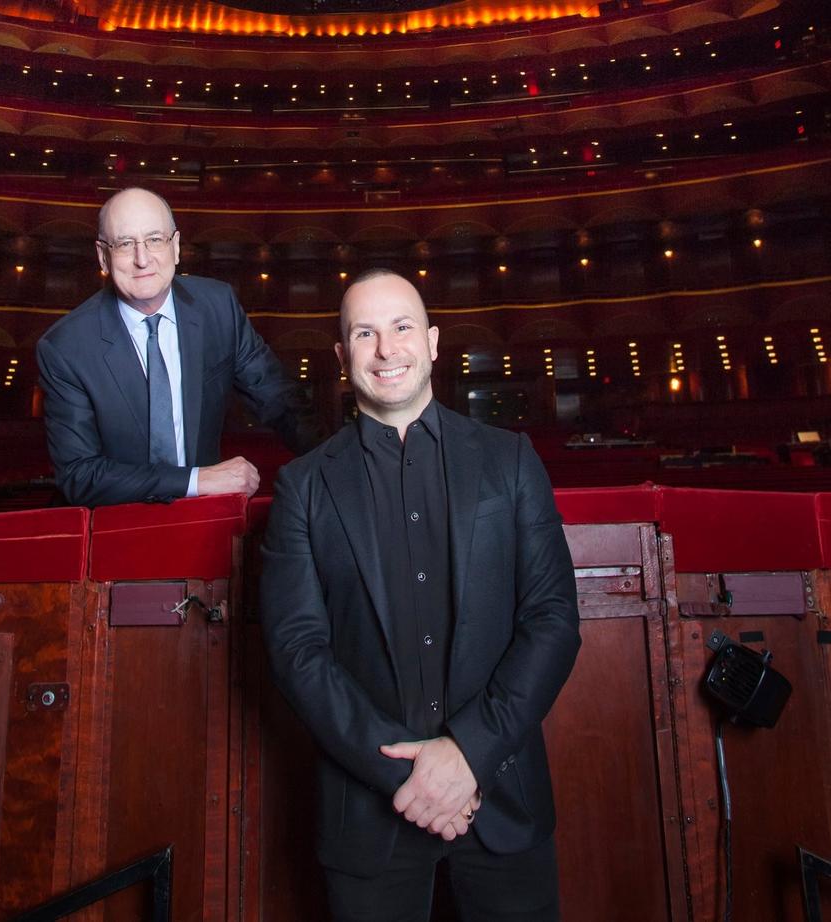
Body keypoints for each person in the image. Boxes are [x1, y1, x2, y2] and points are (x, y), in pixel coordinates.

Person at [260, 269, 580, 921]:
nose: (387, 349)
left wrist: (469, 755)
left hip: (501, 798)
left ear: (433, 342)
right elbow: (298, 654)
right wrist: (410, 776)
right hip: (369, 814)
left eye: (402, 327)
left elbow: (553, 621)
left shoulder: (512, 460)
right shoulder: (303, 488)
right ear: (343, 356)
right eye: (365, 333)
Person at [37, 186, 313, 507]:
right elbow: (80, 475)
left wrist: (344, 461)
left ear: (176, 247)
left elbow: (281, 401)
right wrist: (197, 480)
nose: (143, 259)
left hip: (201, 524)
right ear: (103, 256)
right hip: (115, 530)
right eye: (125, 244)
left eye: (155, 239)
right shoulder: (65, 347)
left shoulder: (218, 306)